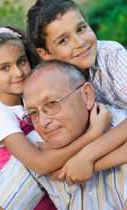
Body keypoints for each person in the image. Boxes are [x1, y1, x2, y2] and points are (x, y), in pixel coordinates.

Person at [0, 27, 108, 210]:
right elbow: (40, 164)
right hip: (24, 202)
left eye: (21, 62)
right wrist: (93, 134)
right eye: (5, 68)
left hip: (53, 194)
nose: (18, 72)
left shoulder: (30, 101)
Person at [27, 0, 127, 182]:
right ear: (45, 54)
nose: (80, 42)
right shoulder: (50, 82)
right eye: (63, 40)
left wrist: (87, 158)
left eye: (81, 29)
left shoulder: (112, 55)